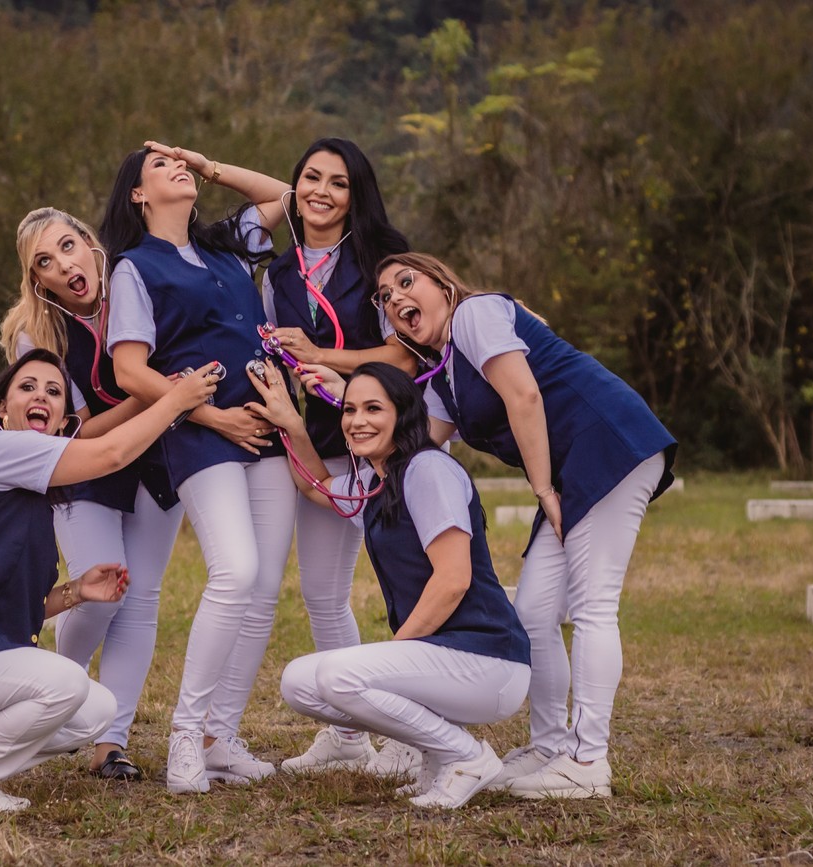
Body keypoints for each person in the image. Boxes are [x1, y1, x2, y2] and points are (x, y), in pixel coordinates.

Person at [371, 252, 677, 799]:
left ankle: (588, 762)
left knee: (592, 606)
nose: (395, 297)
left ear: (442, 283)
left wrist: (542, 491)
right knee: (534, 612)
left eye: (406, 281)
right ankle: (550, 745)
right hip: (566, 470)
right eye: (385, 296)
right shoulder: (443, 378)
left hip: (608, 442)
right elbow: (412, 447)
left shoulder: (476, 313)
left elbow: (524, 395)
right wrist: (335, 387)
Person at [0, 348, 218, 812]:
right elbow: (110, 452)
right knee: (66, 681)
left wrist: (77, 592)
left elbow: (7, 602)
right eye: (27, 387)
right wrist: (174, 401)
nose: (42, 396)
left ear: (62, 424)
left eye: (54, 391)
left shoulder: (30, 500)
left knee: (95, 710)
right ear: (2, 412)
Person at [100, 141, 298, 795]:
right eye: (161, 166)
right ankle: (185, 737)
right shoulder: (133, 267)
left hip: (269, 425)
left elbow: (280, 196)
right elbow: (130, 369)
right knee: (235, 569)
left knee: (265, 582)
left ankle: (220, 735)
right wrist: (210, 416)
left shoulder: (227, 246)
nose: (177, 168)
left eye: (181, 163)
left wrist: (211, 166)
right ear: (137, 194)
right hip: (200, 432)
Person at [244, 361, 531, 809]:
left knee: (340, 676)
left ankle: (466, 756)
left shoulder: (427, 470)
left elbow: (454, 579)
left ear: (403, 413)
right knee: (298, 682)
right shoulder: (376, 483)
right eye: (350, 409)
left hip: (488, 658)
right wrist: (292, 423)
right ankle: (438, 757)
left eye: (373, 408)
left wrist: (394, 654)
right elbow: (317, 485)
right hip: (446, 659)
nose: (358, 421)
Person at [0, 208, 185, 781]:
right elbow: (74, 429)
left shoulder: (141, 286)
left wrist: (165, 402)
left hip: (158, 463)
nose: (64, 266)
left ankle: (112, 742)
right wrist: (162, 397)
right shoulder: (40, 333)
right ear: (38, 281)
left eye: (68, 246)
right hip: (85, 466)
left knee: (139, 596)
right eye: (45, 264)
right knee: (102, 592)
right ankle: (55, 693)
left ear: (90, 243)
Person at [259, 138, 421, 777]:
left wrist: (325, 357)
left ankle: (416, 733)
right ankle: (349, 738)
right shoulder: (277, 273)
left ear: (358, 194)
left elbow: (404, 355)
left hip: (390, 442)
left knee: (407, 585)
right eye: (310, 178)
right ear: (293, 187)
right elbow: (285, 360)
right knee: (323, 593)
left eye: (338, 182)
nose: (321, 192)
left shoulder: (385, 257)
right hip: (319, 443)